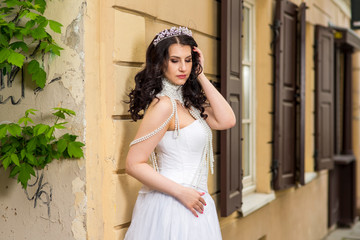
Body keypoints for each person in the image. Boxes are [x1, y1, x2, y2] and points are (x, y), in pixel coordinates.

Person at [124, 26, 236, 240]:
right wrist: (180, 192)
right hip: (172, 204)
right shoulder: (164, 105)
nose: (183, 67)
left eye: (188, 60)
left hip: (196, 203)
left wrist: (201, 75)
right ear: (161, 63)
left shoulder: (188, 105)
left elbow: (227, 119)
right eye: (175, 60)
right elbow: (133, 163)